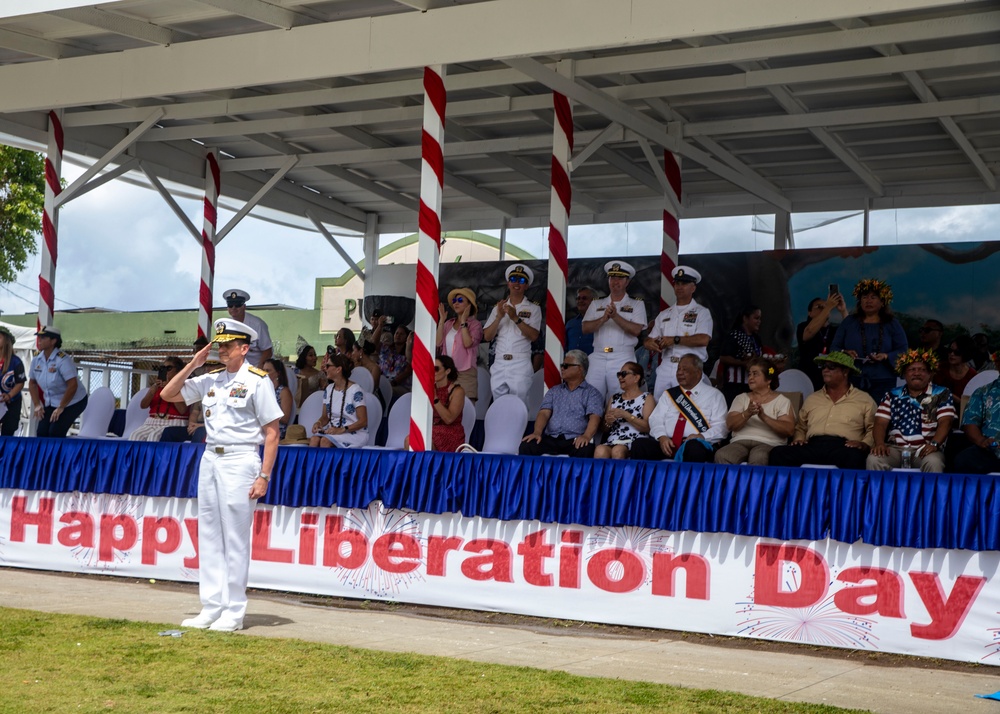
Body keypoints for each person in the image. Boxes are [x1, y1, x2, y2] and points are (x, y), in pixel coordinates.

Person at [160, 317, 282, 632]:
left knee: (236, 539)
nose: (222, 350)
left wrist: (264, 476)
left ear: (244, 348)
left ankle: (234, 610)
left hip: (241, 459)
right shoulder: (211, 378)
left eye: (228, 345)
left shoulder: (257, 380)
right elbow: (168, 394)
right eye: (220, 345)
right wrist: (193, 363)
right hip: (211, 457)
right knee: (210, 535)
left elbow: (272, 432)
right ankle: (211, 606)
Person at [768, 352, 876, 470]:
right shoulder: (813, 398)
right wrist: (799, 439)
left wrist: (864, 444)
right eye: (823, 366)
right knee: (778, 453)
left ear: (845, 371)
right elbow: (801, 426)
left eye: (831, 367)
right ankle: (790, 489)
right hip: (813, 444)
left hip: (844, 446)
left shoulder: (864, 399)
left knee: (855, 457)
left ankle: (842, 489)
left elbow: (873, 428)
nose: (825, 370)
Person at [867, 350, 954, 472]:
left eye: (922, 370)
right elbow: (880, 422)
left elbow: (946, 422)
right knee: (874, 459)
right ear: (903, 374)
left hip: (926, 449)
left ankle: (930, 492)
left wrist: (934, 444)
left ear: (930, 374)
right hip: (895, 448)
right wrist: (880, 444)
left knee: (934, 462)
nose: (917, 373)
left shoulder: (941, 393)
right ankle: (881, 492)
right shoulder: (892, 394)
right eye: (912, 369)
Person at [630, 353, 728, 463]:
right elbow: (655, 419)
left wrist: (701, 436)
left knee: (694, 447)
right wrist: (662, 437)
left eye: (685, 369)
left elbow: (722, 427)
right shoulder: (669, 394)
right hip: (668, 444)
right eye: (678, 369)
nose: (680, 373)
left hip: (695, 445)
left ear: (698, 373)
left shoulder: (714, 395)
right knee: (639, 445)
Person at [830, 278, 907, 403]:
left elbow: (903, 350)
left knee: (880, 416)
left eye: (873, 297)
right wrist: (845, 352)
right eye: (865, 297)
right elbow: (834, 348)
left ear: (883, 302)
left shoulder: (892, 323)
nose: (868, 301)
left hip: (884, 380)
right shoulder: (849, 322)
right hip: (853, 380)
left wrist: (886, 356)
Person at [519, 350, 603, 458]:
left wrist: (586, 436)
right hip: (551, 438)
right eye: (562, 365)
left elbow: (594, 417)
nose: (562, 368)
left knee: (586, 449)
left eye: (566, 366)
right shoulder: (554, 391)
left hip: (575, 440)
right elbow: (544, 413)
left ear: (580, 369)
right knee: (527, 446)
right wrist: (537, 432)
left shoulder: (592, 393)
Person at [582, 261, 647, 401]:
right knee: (591, 398)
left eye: (619, 278)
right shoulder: (597, 303)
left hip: (622, 357)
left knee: (619, 398)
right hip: (598, 356)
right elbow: (585, 328)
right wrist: (603, 319)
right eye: (612, 278)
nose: (615, 282)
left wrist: (615, 317)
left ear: (627, 282)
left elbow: (636, 330)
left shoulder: (636, 304)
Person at [644, 266, 713, 394]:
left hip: (690, 367)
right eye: (677, 283)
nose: (680, 287)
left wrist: (675, 340)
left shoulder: (702, 313)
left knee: (687, 408)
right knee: (661, 406)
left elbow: (703, 339)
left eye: (685, 284)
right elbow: (649, 339)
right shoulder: (664, 314)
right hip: (666, 366)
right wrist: (650, 343)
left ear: (693, 288)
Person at [715, 357, 795, 466]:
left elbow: (788, 430)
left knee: (759, 457)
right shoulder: (741, 398)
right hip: (740, 441)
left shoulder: (782, 401)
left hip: (768, 443)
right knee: (722, 455)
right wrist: (747, 413)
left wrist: (764, 416)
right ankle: (730, 483)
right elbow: (730, 425)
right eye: (749, 374)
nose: (750, 378)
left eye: (755, 374)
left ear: (768, 379)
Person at [483, 264, 541, 405]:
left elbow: (534, 336)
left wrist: (516, 318)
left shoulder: (533, 308)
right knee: (499, 405)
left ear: (526, 286)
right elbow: (487, 336)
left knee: (519, 405)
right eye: (513, 279)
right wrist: (498, 317)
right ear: (508, 283)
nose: (516, 283)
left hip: (520, 362)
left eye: (521, 281)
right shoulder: (498, 308)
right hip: (499, 362)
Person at [28, 325, 89, 439]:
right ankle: (44, 456)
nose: (39, 340)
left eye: (43, 337)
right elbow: (32, 383)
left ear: (53, 341)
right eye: (39, 337)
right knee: (41, 432)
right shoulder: (36, 359)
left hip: (73, 401)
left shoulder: (63, 360)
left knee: (55, 432)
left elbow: (72, 385)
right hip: (52, 402)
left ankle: (57, 456)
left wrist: (61, 407)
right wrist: (37, 405)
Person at [594, 361, 654, 460]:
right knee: (600, 451)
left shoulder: (647, 398)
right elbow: (604, 428)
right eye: (619, 374)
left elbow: (647, 427)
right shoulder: (615, 398)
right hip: (613, 440)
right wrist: (608, 422)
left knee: (618, 451)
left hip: (635, 441)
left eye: (624, 374)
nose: (620, 377)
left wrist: (626, 415)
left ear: (636, 378)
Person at [309, 353, 368, 448]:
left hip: (353, 433)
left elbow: (363, 421)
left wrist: (342, 429)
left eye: (328, 366)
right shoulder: (329, 389)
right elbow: (325, 417)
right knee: (314, 440)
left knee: (325, 441)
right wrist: (318, 423)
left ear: (338, 369)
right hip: (333, 432)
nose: (325, 368)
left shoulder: (355, 390)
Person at [956, 352, 1000, 474]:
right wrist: (981, 441)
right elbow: (970, 422)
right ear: (997, 364)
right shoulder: (983, 392)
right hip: (991, 449)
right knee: (964, 460)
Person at [437, 287, 484, 401]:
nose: (456, 303)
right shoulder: (449, 323)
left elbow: (468, 343)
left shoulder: (475, 324)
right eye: (454, 301)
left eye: (460, 300)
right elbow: (438, 343)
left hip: (465, 372)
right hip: (447, 372)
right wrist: (442, 321)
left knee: (466, 406)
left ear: (469, 305)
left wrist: (463, 322)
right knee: (446, 406)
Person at [129, 356, 190, 441]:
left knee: (154, 437)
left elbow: (182, 410)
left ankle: (151, 455)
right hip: (152, 422)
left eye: (169, 368)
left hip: (173, 422)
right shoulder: (157, 386)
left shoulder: (184, 386)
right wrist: (151, 392)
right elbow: (143, 405)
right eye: (163, 368)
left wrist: (170, 389)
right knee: (135, 436)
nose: (165, 371)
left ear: (178, 371)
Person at [796, 292, 847, 389]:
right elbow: (809, 332)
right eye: (819, 307)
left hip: (831, 379)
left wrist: (843, 310)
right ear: (809, 313)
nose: (823, 309)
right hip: (808, 377)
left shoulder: (835, 329)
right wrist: (828, 307)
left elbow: (850, 332)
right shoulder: (803, 326)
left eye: (825, 307)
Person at [718, 305, 763, 405]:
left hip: (752, 386)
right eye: (756, 318)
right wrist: (742, 363)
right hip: (734, 386)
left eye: (760, 318)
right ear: (745, 319)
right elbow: (723, 358)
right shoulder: (734, 335)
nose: (759, 321)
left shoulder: (756, 338)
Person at [222, 289, 273, 367]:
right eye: (230, 305)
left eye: (237, 305)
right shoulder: (226, 325)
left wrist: (258, 370)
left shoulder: (257, 324)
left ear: (244, 307)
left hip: (256, 367)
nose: (234, 308)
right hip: (236, 368)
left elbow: (267, 351)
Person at [430, 355, 467, 452]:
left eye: (436, 369)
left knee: (425, 442)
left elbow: (449, 419)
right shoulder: (430, 388)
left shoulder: (457, 391)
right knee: (409, 440)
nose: (432, 371)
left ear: (447, 371)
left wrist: (434, 398)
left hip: (450, 432)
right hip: (433, 430)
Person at [372, 317, 413, 398]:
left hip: (399, 387)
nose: (398, 336)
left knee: (386, 391)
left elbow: (408, 371)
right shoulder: (386, 349)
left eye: (401, 334)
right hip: (382, 383)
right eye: (396, 333)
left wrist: (392, 383)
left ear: (406, 337)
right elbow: (374, 343)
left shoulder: (408, 354)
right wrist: (380, 326)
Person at [0, 326, 26, 437]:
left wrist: (9, 395)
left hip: (12, 402)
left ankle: (5, 454)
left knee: (8, 431)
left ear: (6, 341)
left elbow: (20, 382)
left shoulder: (16, 362)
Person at [262, 358, 293, 440]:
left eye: (268, 370)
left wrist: (266, 414)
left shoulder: (284, 391)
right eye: (263, 370)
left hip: (276, 430)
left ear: (278, 373)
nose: (264, 373)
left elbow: (285, 418)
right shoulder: (262, 390)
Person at [564, 287, 595, 354]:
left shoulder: (598, 322)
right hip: (572, 362)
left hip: (594, 362)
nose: (580, 301)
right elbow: (564, 347)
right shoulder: (570, 324)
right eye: (578, 298)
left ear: (593, 301)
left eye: (584, 298)